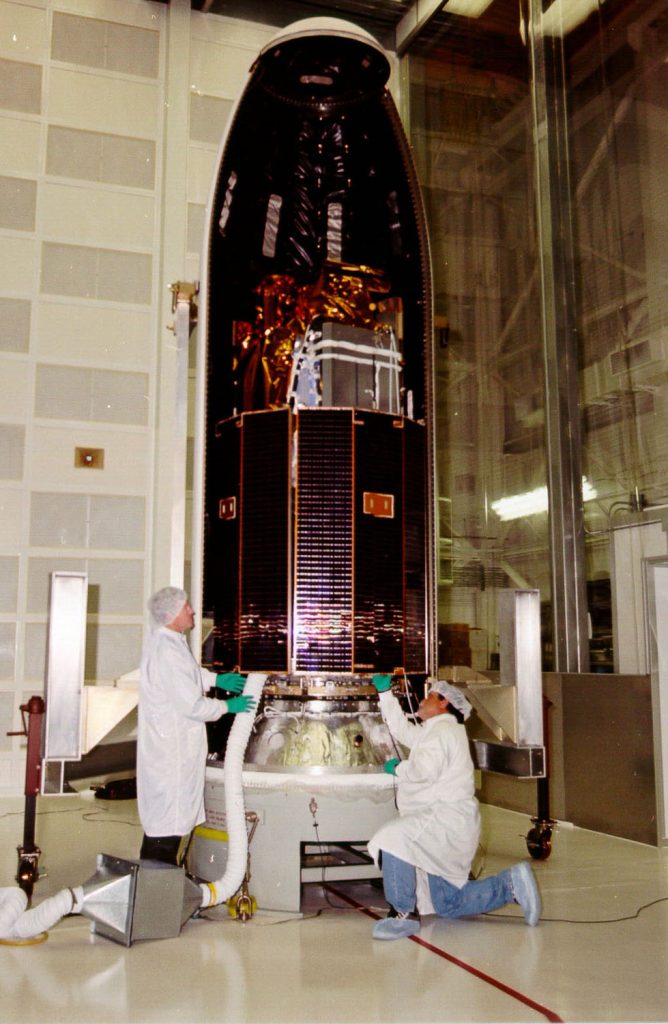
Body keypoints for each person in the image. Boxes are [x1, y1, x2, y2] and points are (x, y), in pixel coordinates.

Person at [368, 674, 541, 940]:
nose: (422, 701)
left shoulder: (443, 731)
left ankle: (401, 913)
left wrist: (398, 768)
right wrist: (385, 695)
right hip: (451, 827)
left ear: (444, 702)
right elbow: (403, 732)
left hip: (443, 822)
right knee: (449, 903)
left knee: (393, 838)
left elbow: (423, 770)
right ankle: (510, 885)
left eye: (429, 696)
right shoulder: (438, 730)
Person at [137, 586, 256, 865]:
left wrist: (215, 680)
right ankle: (157, 893)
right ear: (171, 614)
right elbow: (191, 705)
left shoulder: (171, 641)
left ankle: (157, 889)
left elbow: (187, 675)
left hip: (176, 752)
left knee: (168, 826)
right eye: (186, 606)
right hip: (172, 756)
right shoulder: (167, 650)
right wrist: (228, 707)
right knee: (167, 829)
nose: (192, 610)